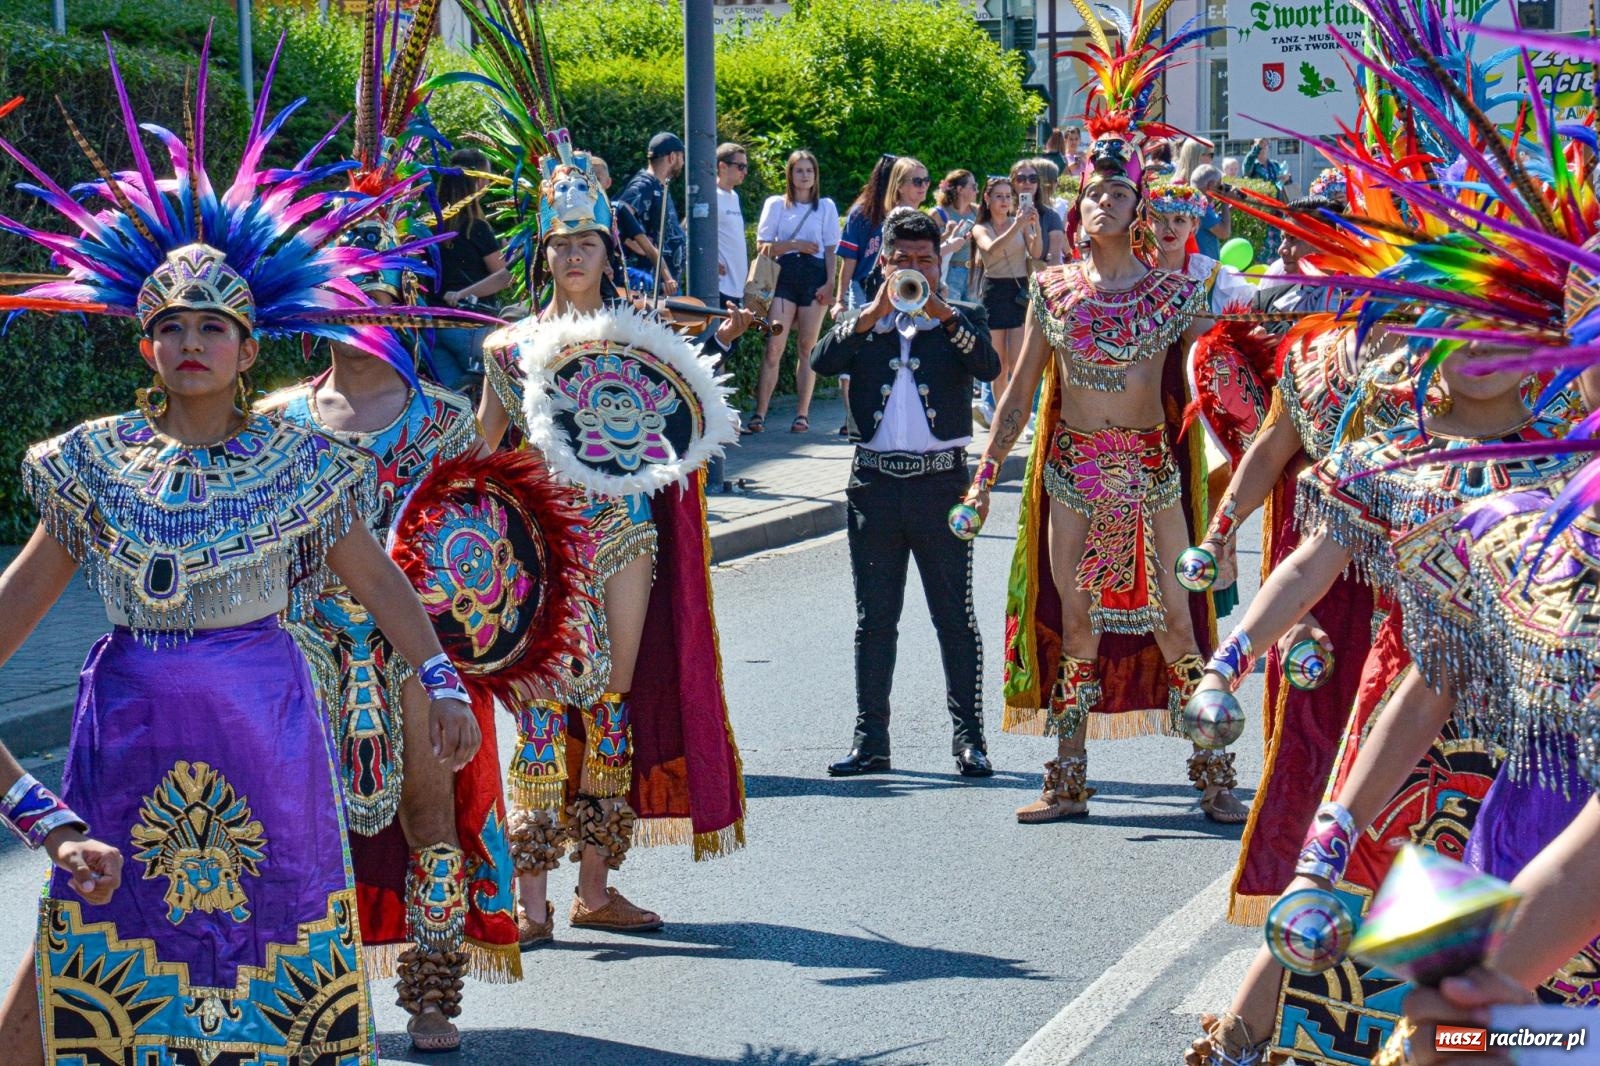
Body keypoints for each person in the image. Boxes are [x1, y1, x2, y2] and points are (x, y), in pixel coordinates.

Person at [0, 46, 490, 1064]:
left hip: (271, 748)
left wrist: (437, 675)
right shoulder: (92, 466)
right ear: (144, 343)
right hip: (126, 753)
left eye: (212, 325)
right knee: (64, 1008)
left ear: (249, 345)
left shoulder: (302, 464)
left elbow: (381, 583)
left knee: (269, 1000)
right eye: (169, 324)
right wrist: (38, 814)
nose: (190, 342)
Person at [457, 1, 751, 944]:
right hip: (542, 549)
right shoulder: (508, 346)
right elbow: (482, 458)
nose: (574, 255)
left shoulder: (642, 339)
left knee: (611, 705)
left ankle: (595, 885)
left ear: (605, 249)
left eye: (586, 243)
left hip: (624, 538)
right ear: (544, 252)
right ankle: (532, 899)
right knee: (541, 714)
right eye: (560, 244)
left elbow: (681, 428)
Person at [964, 5, 1242, 825]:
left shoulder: (1177, 294)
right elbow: (1019, 395)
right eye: (1091, 193)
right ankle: (1069, 777)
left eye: (1117, 193)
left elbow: (1220, 382)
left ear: (1140, 207)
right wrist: (984, 479)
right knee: (1075, 623)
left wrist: (1233, 498)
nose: (1100, 204)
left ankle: (1213, 774)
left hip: (1151, 472)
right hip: (1072, 472)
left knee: (1178, 626)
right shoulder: (1053, 292)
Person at [811, 208, 1001, 778]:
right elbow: (823, 360)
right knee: (875, 620)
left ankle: (969, 740)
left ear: (940, 265)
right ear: (884, 263)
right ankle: (871, 742)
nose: (914, 270)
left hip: (942, 483)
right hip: (873, 485)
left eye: (925, 261)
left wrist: (940, 311)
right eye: (903, 262)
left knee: (955, 617)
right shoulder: (863, 322)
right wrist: (872, 314)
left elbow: (988, 366)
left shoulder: (962, 316)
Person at [747, 149, 841, 434]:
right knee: (774, 345)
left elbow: (830, 250)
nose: (804, 176)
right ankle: (760, 412)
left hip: (814, 278)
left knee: (806, 347)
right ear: (790, 174)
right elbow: (762, 245)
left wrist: (829, 284)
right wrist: (794, 245)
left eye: (809, 171)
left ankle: (802, 413)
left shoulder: (825, 206)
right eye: (799, 170)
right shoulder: (777, 204)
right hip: (784, 277)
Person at [835, 155, 929, 434]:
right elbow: (850, 260)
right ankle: (855, 417)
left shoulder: (914, 214)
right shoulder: (867, 212)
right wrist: (840, 298)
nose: (923, 186)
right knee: (859, 350)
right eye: (916, 181)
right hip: (866, 288)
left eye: (926, 181)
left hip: (900, 293)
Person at [433, 147, 510, 392]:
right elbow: (503, 277)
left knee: (453, 401)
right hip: (473, 327)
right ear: (477, 181)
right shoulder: (476, 227)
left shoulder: (430, 226)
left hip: (435, 329)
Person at [973, 176, 1043, 395]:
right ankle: (1000, 411)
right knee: (999, 366)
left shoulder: (1018, 223)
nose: (1004, 201)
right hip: (995, 291)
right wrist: (1018, 225)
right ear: (987, 199)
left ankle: (1017, 411)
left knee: (1016, 361)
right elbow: (991, 249)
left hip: (1018, 291)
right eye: (999, 196)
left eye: (1008, 196)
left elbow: (1036, 252)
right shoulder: (980, 228)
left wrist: (1035, 225)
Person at [617, 131, 687, 296]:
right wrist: (640, 246)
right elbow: (619, 216)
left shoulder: (660, 186)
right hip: (650, 285)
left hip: (665, 284)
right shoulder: (644, 185)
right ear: (672, 157)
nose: (683, 163)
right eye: (681, 157)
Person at [931, 169, 979, 302]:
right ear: (960, 189)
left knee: (974, 316)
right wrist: (948, 236)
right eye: (973, 186)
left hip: (974, 274)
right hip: (949, 273)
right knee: (953, 315)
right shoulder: (939, 214)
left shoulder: (976, 211)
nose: (977, 190)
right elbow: (929, 247)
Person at [1012, 158, 1066, 266]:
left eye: (1033, 179)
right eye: (1021, 179)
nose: (1027, 182)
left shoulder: (1051, 216)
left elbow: (1054, 258)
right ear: (1012, 183)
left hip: (1039, 278)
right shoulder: (1001, 213)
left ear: (1038, 183)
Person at [716, 141, 751, 309]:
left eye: (745, 167)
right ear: (722, 166)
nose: (745, 171)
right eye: (740, 166)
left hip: (736, 288)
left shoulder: (735, 196)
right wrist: (709, 261)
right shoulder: (711, 195)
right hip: (719, 287)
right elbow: (688, 231)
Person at [1188, 164, 1232, 260]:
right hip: (1204, 267)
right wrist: (1225, 201)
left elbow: (1211, 223)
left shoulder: (1192, 201)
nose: (1220, 190)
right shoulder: (1200, 207)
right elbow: (1224, 232)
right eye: (1219, 186)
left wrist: (1226, 210)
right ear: (1210, 185)